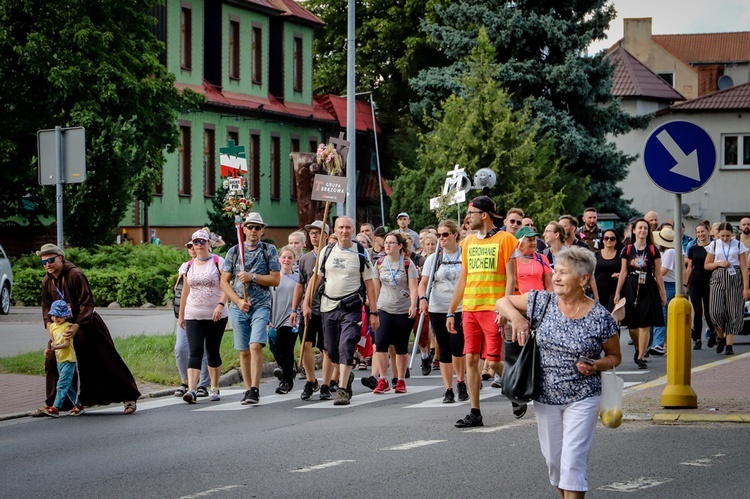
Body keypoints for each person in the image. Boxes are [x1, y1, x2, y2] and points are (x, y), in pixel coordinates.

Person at [496, 246, 621, 498]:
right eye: (556, 271)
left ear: (584, 279)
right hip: (544, 396)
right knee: (555, 463)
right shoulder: (541, 301)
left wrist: (596, 365)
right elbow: (502, 301)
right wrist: (517, 318)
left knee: (573, 462)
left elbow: (615, 356)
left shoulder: (600, 317)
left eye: (564, 273)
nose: (557, 277)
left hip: (583, 396)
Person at [35, 243, 140, 416]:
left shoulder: (75, 275)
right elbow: (46, 307)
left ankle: (129, 397)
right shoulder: (47, 281)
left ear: (60, 258)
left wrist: (76, 326)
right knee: (54, 362)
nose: (48, 265)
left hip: (86, 324)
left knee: (105, 361)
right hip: (61, 328)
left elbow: (87, 303)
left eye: (51, 260)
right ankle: (55, 404)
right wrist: (50, 327)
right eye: (44, 263)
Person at [448, 196, 518, 427]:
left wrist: (505, 308)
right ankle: (475, 411)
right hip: (470, 307)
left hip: (493, 307)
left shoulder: (506, 239)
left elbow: (511, 278)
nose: (468, 218)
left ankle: (514, 389)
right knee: (471, 357)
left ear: (484, 215)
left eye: (472, 213)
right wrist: (451, 310)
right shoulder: (467, 243)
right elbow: (463, 278)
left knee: (494, 360)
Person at [307, 216, 379, 405]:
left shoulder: (361, 252)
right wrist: (305, 304)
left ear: (353, 230)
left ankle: (342, 389)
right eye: (341, 227)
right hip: (328, 306)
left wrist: (373, 312)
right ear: (335, 231)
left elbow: (370, 284)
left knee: (346, 345)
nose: (344, 231)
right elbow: (316, 279)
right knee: (331, 351)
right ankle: (346, 377)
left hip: (351, 308)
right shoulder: (327, 251)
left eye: (348, 227)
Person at [221, 213, 281, 404]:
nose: (253, 231)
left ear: (262, 230)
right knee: (243, 350)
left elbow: (275, 279)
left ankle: (255, 388)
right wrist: (237, 302)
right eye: (250, 227)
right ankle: (247, 389)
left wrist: (253, 277)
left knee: (255, 345)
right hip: (239, 307)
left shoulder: (268, 250)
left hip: (261, 304)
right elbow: (224, 281)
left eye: (257, 227)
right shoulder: (234, 251)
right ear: (243, 229)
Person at [419, 220, 468, 403]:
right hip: (438, 306)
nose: (441, 238)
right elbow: (423, 283)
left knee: (458, 346)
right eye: (439, 235)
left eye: (445, 234)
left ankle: (461, 381)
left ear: (455, 234)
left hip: (460, 306)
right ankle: (448, 388)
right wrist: (422, 298)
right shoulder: (433, 259)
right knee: (444, 348)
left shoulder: (465, 255)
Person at [178, 229, 229, 403]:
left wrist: (221, 305)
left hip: (215, 315)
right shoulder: (188, 266)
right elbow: (185, 291)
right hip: (193, 313)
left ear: (208, 243)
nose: (198, 245)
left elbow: (226, 286)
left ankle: (214, 387)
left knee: (212, 351)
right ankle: (192, 390)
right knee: (195, 351)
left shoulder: (218, 262)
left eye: (202, 242)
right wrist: (181, 315)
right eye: (195, 242)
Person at [613, 219, 667, 369]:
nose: (643, 230)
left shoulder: (653, 250)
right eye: (640, 228)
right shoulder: (628, 249)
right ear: (634, 230)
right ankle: (639, 347)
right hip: (631, 285)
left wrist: (663, 293)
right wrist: (618, 292)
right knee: (633, 326)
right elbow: (623, 272)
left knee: (644, 324)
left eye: (645, 228)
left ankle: (642, 355)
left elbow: (658, 273)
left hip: (648, 286)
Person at [371, 232, 418, 394]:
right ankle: (383, 379)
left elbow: (413, 287)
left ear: (399, 246)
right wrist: (374, 308)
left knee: (401, 346)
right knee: (381, 343)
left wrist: (413, 304)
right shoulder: (379, 263)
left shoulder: (407, 263)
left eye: (392, 243)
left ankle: (401, 380)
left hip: (403, 309)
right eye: (386, 243)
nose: (388, 245)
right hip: (384, 307)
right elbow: (376, 288)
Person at [292, 220, 333, 400]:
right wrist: (296, 308)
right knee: (306, 344)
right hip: (310, 307)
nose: (314, 236)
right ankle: (311, 380)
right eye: (311, 233)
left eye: (318, 232)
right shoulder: (305, 259)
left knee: (327, 347)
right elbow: (300, 285)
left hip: (329, 307)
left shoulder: (332, 255)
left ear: (326, 235)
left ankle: (326, 383)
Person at [704, 222, 750, 355]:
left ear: (732, 235)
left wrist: (746, 287)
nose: (725, 238)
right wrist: (719, 263)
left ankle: (729, 344)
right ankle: (721, 336)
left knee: (733, 312)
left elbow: (743, 267)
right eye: (722, 236)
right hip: (718, 276)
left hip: (735, 277)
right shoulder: (714, 245)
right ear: (718, 234)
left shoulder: (739, 245)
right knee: (715, 311)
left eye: (728, 236)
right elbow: (706, 265)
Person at [173, 240, 211, 398]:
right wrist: (180, 314)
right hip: (187, 314)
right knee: (181, 349)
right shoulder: (185, 267)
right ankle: (186, 381)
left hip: (204, 314)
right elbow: (180, 290)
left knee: (201, 350)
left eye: (195, 244)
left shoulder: (212, 264)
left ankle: (203, 384)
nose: (192, 248)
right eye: (189, 245)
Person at [41, 300, 84, 417]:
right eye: (54, 316)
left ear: (65, 316)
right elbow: (52, 340)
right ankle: (78, 405)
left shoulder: (67, 326)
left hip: (69, 360)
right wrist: (48, 348)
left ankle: (55, 408)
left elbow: (65, 344)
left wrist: (55, 347)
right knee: (68, 386)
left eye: (59, 316)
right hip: (60, 360)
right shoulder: (53, 327)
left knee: (62, 384)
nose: (56, 318)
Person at [270, 246, 300, 394]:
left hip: (291, 318)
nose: (286, 260)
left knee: (286, 348)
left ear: (294, 260)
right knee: (274, 347)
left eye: (290, 257)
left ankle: (286, 381)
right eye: (284, 257)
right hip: (274, 317)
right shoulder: (272, 277)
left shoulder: (297, 278)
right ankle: (288, 370)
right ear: (279, 259)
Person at [685, 222, 714, 350]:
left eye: (702, 231)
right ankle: (697, 339)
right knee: (697, 310)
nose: (700, 234)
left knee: (708, 311)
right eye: (698, 232)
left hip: (709, 282)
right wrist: (685, 284)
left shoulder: (713, 247)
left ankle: (713, 333)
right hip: (695, 282)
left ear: (708, 231)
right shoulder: (693, 248)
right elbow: (689, 267)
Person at [650, 226, 677, 356]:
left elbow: (663, 271)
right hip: (664, 283)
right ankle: (657, 342)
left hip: (669, 284)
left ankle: (658, 343)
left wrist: (651, 276)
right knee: (660, 313)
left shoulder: (670, 252)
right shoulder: (662, 252)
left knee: (663, 314)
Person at [508, 226, 553, 295]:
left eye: (534, 239)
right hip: (517, 302)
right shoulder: (511, 259)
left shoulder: (542, 258)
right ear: (519, 242)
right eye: (529, 240)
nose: (533, 243)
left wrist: (545, 301)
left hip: (538, 303)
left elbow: (550, 285)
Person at [594, 229, 624, 312]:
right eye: (606, 238)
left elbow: (625, 271)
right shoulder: (596, 255)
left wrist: (619, 275)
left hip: (614, 289)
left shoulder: (621, 255)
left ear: (616, 241)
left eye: (612, 238)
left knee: (611, 314)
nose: (609, 240)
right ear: (603, 240)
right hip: (598, 289)